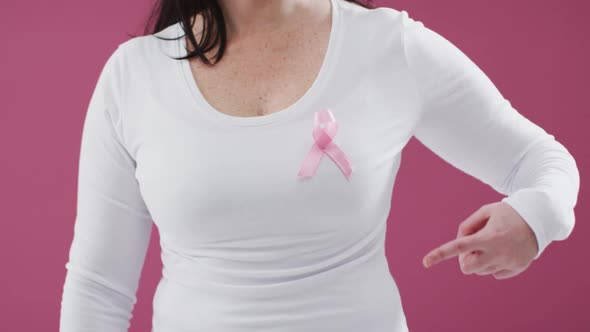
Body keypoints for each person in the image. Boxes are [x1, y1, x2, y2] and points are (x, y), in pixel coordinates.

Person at [59, 0, 581, 331]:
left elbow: (542, 161)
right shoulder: (135, 74)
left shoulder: (387, 46)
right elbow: (99, 286)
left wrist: (536, 218)